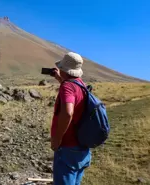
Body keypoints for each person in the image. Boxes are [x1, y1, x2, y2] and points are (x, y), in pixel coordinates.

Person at [50, 52, 91, 185]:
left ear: (64, 69)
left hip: (68, 147)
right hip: (81, 147)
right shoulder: (81, 85)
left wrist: (57, 138)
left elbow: (68, 113)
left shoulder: (67, 87)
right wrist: (60, 79)